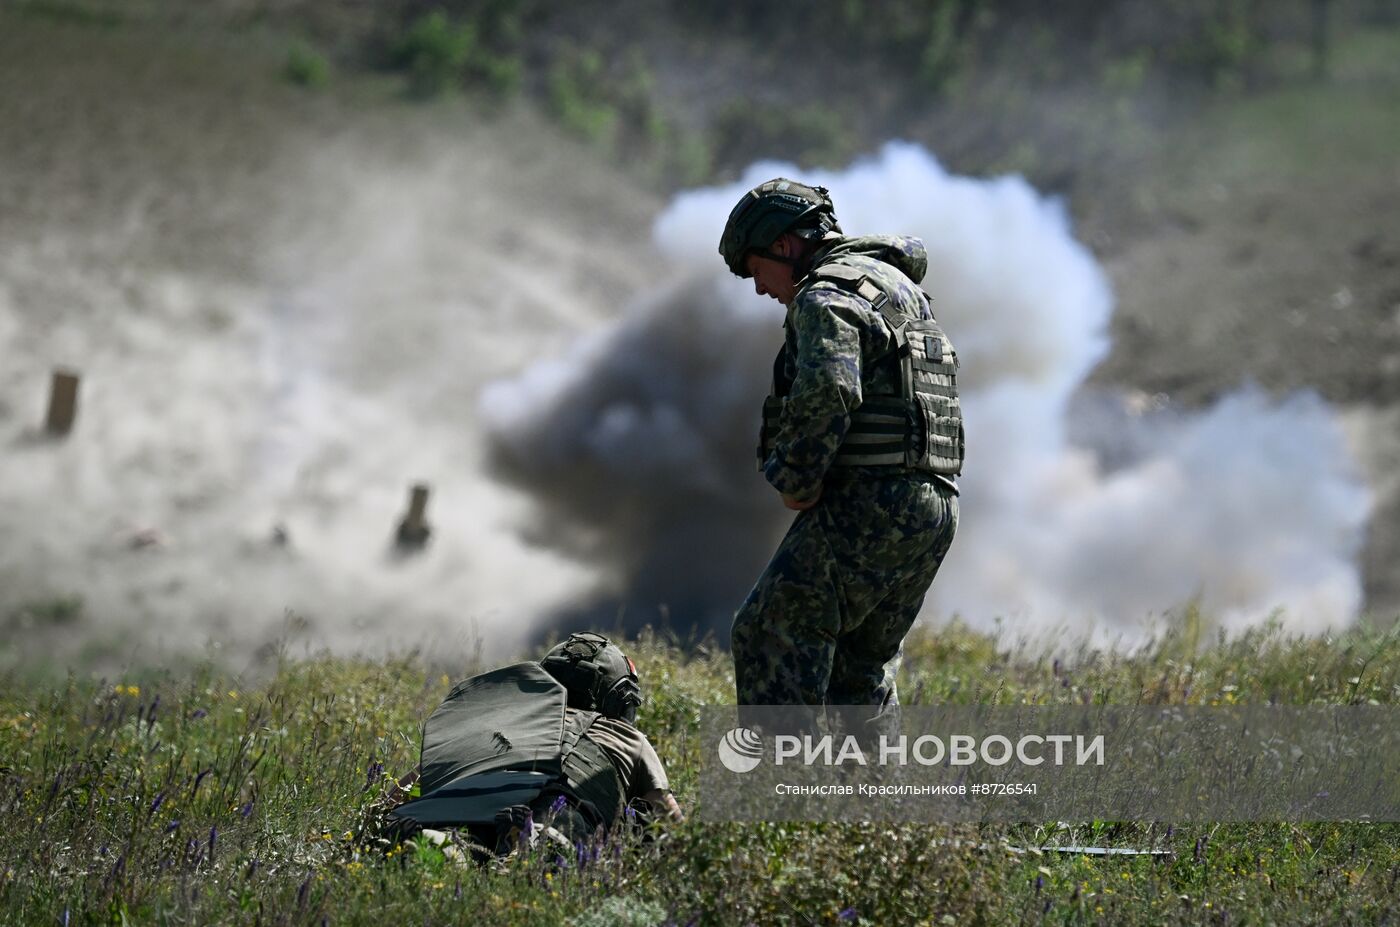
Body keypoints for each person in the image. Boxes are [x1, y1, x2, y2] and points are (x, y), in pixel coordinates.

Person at [718, 178, 962, 717]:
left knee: (770, 632)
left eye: (756, 270)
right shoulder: (896, 288)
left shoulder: (825, 293)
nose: (760, 289)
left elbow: (831, 386)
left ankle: (785, 796)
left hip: (874, 501)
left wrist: (798, 479)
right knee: (859, 671)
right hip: (935, 505)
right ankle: (871, 803)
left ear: (783, 246)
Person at [368, 632, 682, 860]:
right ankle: (515, 854)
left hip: (470, 800)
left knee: (449, 847)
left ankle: (445, 847)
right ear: (617, 698)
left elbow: (399, 794)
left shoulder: (499, 719)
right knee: (546, 850)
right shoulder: (628, 738)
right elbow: (673, 829)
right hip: (557, 817)